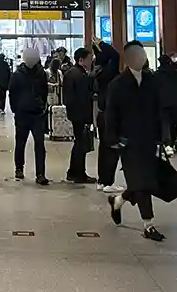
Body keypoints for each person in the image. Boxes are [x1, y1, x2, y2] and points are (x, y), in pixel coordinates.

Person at [103, 41, 165, 241]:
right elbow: (110, 113)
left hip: (148, 139)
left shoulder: (151, 81)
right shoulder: (118, 84)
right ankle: (149, 225)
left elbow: (159, 111)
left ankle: (118, 200)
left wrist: (164, 137)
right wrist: (112, 139)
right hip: (127, 141)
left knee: (143, 180)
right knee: (142, 182)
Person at [9, 47, 49, 185]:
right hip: (22, 114)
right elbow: (12, 93)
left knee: (40, 144)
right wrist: (16, 109)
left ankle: (40, 174)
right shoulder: (17, 74)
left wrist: (42, 105)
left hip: (37, 114)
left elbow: (45, 90)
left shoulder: (41, 73)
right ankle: (19, 168)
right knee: (20, 143)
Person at [93, 38, 123, 193]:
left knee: (104, 148)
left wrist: (97, 47)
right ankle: (108, 182)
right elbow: (116, 55)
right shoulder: (110, 74)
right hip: (111, 117)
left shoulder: (98, 72)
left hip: (101, 114)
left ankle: (102, 180)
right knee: (112, 149)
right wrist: (102, 44)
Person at [63, 47, 97, 184]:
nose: (92, 61)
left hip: (75, 114)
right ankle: (79, 174)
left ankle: (73, 172)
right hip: (80, 115)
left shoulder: (73, 73)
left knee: (79, 143)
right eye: (90, 59)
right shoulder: (80, 75)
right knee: (81, 145)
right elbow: (82, 97)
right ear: (81, 60)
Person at [153, 53, 177, 150]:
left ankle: (167, 143)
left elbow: (154, 90)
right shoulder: (176, 74)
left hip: (162, 103)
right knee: (174, 123)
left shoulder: (156, 75)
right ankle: (173, 142)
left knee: (164, 122)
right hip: (175, 102)